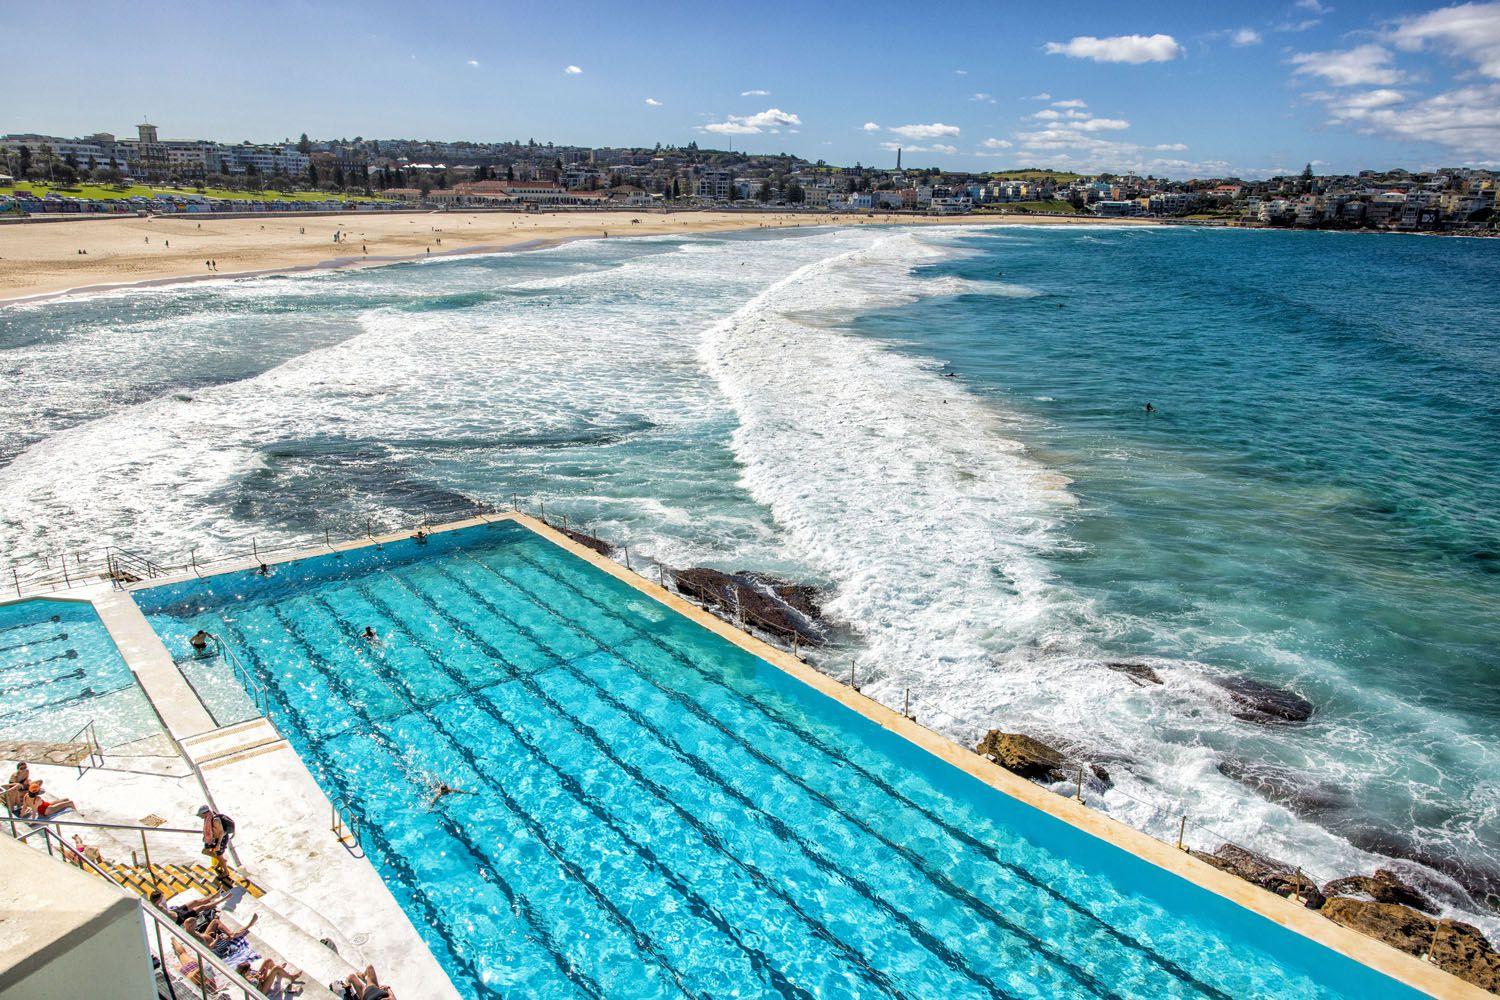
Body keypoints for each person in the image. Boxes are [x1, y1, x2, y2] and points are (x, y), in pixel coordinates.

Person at [197, 805, 236, 884]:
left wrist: (218, 844)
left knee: (219, 855)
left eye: (201, 815)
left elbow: (221, 832)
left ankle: (226, 871)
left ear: (205, 813)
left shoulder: (215, 820)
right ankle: (222, 861)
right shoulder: (207, 819)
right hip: (212, 838)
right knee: (205, 851)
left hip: (221, 839)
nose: (200, 817)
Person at [237, 958, 303, 995]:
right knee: (276, 968)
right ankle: (291, 978)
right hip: (262, 991)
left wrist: (256, 975)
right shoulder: (249, 982)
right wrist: (264, 974)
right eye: (249, 969)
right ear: (245, 972)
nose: (251, 969)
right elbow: (262, 984)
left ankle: (279, 971)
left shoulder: (244, 975)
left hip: (258, 981)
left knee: (268, 961)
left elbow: (255, 977)